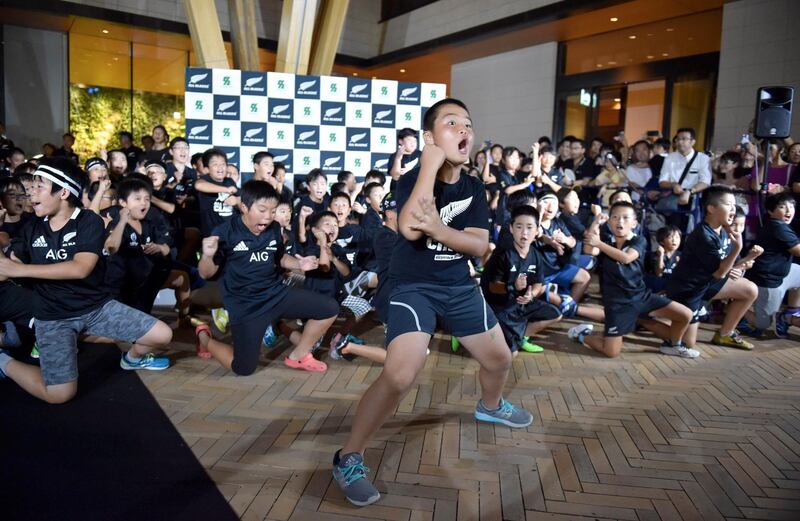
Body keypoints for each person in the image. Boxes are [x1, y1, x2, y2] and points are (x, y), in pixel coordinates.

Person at [331, 98, 532, 507]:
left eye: (468, 124)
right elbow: (408, 229)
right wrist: (427, 165)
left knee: (500, 360)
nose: (464, 131)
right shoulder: (411, 180)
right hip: (412, 288)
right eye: (451, 123)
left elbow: (478, 245)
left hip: (459, 287)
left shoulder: (475, 187)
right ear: (429, 138)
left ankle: (490, 406)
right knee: (400, 375)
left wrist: (438, 227)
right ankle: (348, 456)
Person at [0, 157, 171, 404]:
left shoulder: (88, 221)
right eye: (31, 187)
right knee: (59, 395)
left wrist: (21, 270)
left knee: (162, 334)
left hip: (96, 308)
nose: (30, 192)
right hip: (52, 316)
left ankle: (131, 359)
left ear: (63, 192)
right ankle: (4, 361)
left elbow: (81, 268)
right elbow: (5, 270)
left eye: (39, 186)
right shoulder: (32, 229)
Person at [195, 181, 339, 374]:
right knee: (243, 368)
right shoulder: (224, 232)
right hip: (245, 304)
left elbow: (279, 258)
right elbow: (206, 273)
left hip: (275, 294)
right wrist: (207, 255)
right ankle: (204, 338)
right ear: (244, 207)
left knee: (329, 308)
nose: (268, 217)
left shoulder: (273, 228)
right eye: (262, 210)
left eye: (272, 211)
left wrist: (299, 264)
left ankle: (299, 356)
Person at [568, 201, 696, 358]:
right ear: (609, 222)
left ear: (634, 223)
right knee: (611, 352)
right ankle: (582, 335)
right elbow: (589, 249)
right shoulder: (606, 240)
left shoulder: (639, 240)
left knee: (685, 314)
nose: (620, 221)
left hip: (641, 297)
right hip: (617, 304)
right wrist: (596, 221)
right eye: (615, 217)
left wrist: (599, 243)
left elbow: (627, 258)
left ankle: (673, 345)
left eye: (625, 218)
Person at [664, 186, 759, 350]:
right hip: (689, 290)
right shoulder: (703, 235)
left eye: (734, 205)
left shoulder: (722, 230)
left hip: (708, 284)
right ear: (711, 208)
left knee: (750, 289)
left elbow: (722, 266)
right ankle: (647, 317)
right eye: (729, 204)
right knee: (688, 343)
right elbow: (720, 271)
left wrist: (741, 263)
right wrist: (738, 248)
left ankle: (725, 334)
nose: (733, 209)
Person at [481, 205, 561, 355]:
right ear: (511, 228)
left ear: (537, 230)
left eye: (530, 227)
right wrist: (513, 286)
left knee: (555, 314)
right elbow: (492, 287)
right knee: (511, 354)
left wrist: (532, 294)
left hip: (520, 303)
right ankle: (473, 332)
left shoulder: (536, 255)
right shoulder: (503, 254)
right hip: (500, 307)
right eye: (519, 227)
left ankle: (521, 337)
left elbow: (538, 282)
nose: (524, 232)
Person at [740, 193, 800, 338]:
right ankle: (736, 310)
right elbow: (798, 251)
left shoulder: (780, 225)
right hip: (768, 280)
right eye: (782, 207)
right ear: (771, 211)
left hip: (781, 274)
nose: (788, 211)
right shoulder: (779, 227)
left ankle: (792, 311)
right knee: (764, 325)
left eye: (791, 207)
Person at [194, 148, 239, 237]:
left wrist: (236, 200)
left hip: (231, 231)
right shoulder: (205, 180)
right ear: (207, 169)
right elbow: (199, 185)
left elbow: (239, 198)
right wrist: (226, 190)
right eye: (215, 164)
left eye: (223, 164)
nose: (220, 167)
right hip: (212, 233)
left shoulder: (229, 181)